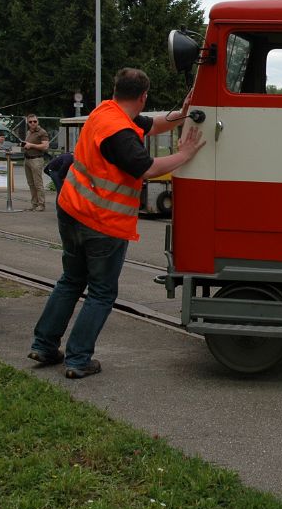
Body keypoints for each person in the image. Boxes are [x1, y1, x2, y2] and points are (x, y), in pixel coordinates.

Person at [28, 68, 205, 379]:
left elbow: (152, 124)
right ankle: (78, 359)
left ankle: (43, 345)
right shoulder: (121, 133)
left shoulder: (106, 112)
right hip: (102, 222)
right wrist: (185, 154)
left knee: (70, 281)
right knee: (101, 292)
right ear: (143, 96)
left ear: (117, 90)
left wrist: (182, 113)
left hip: (72, 211)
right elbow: (147, 169)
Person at [21, 114, 50, 211]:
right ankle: (34, 203)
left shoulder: (42, 132)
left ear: (38, 122)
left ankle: (41, 204)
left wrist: (31, 145)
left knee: (38, 183)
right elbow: (28, 144)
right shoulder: (29, 132)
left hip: (36, 159)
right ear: (27, 123)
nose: (33, 123)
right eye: (30, 122)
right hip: (27, 159)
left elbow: (45, 146)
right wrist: (25, 145)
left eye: (35, 121)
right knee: (31, 183)